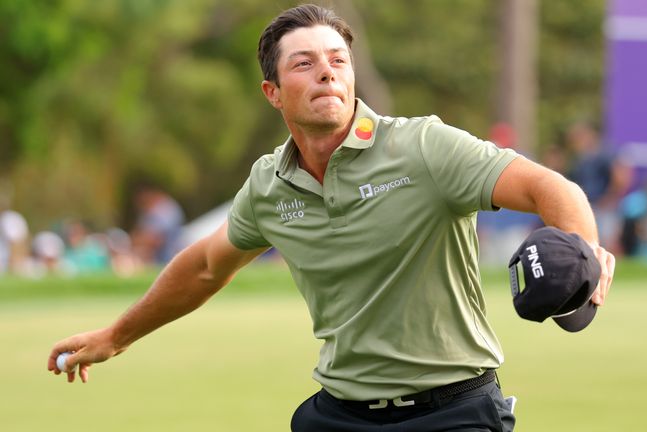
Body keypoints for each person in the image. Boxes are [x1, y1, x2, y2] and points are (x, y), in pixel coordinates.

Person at [48, 5, 615, 431]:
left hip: (454, 411)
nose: (327, 72)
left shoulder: (423, 146)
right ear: (273, 92)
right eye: (305, 63)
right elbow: (202, 267)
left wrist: (582, 250)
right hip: (339, 415)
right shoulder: (268, 184)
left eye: (338, 61)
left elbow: (549, 186)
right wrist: (117, 336)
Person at [565, 121, 631, 252]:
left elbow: (620, 176)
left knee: (606, 243)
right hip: (588, 205)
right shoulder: (580, 159)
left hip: (603, 206)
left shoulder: (604, 153)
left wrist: (610, 198)